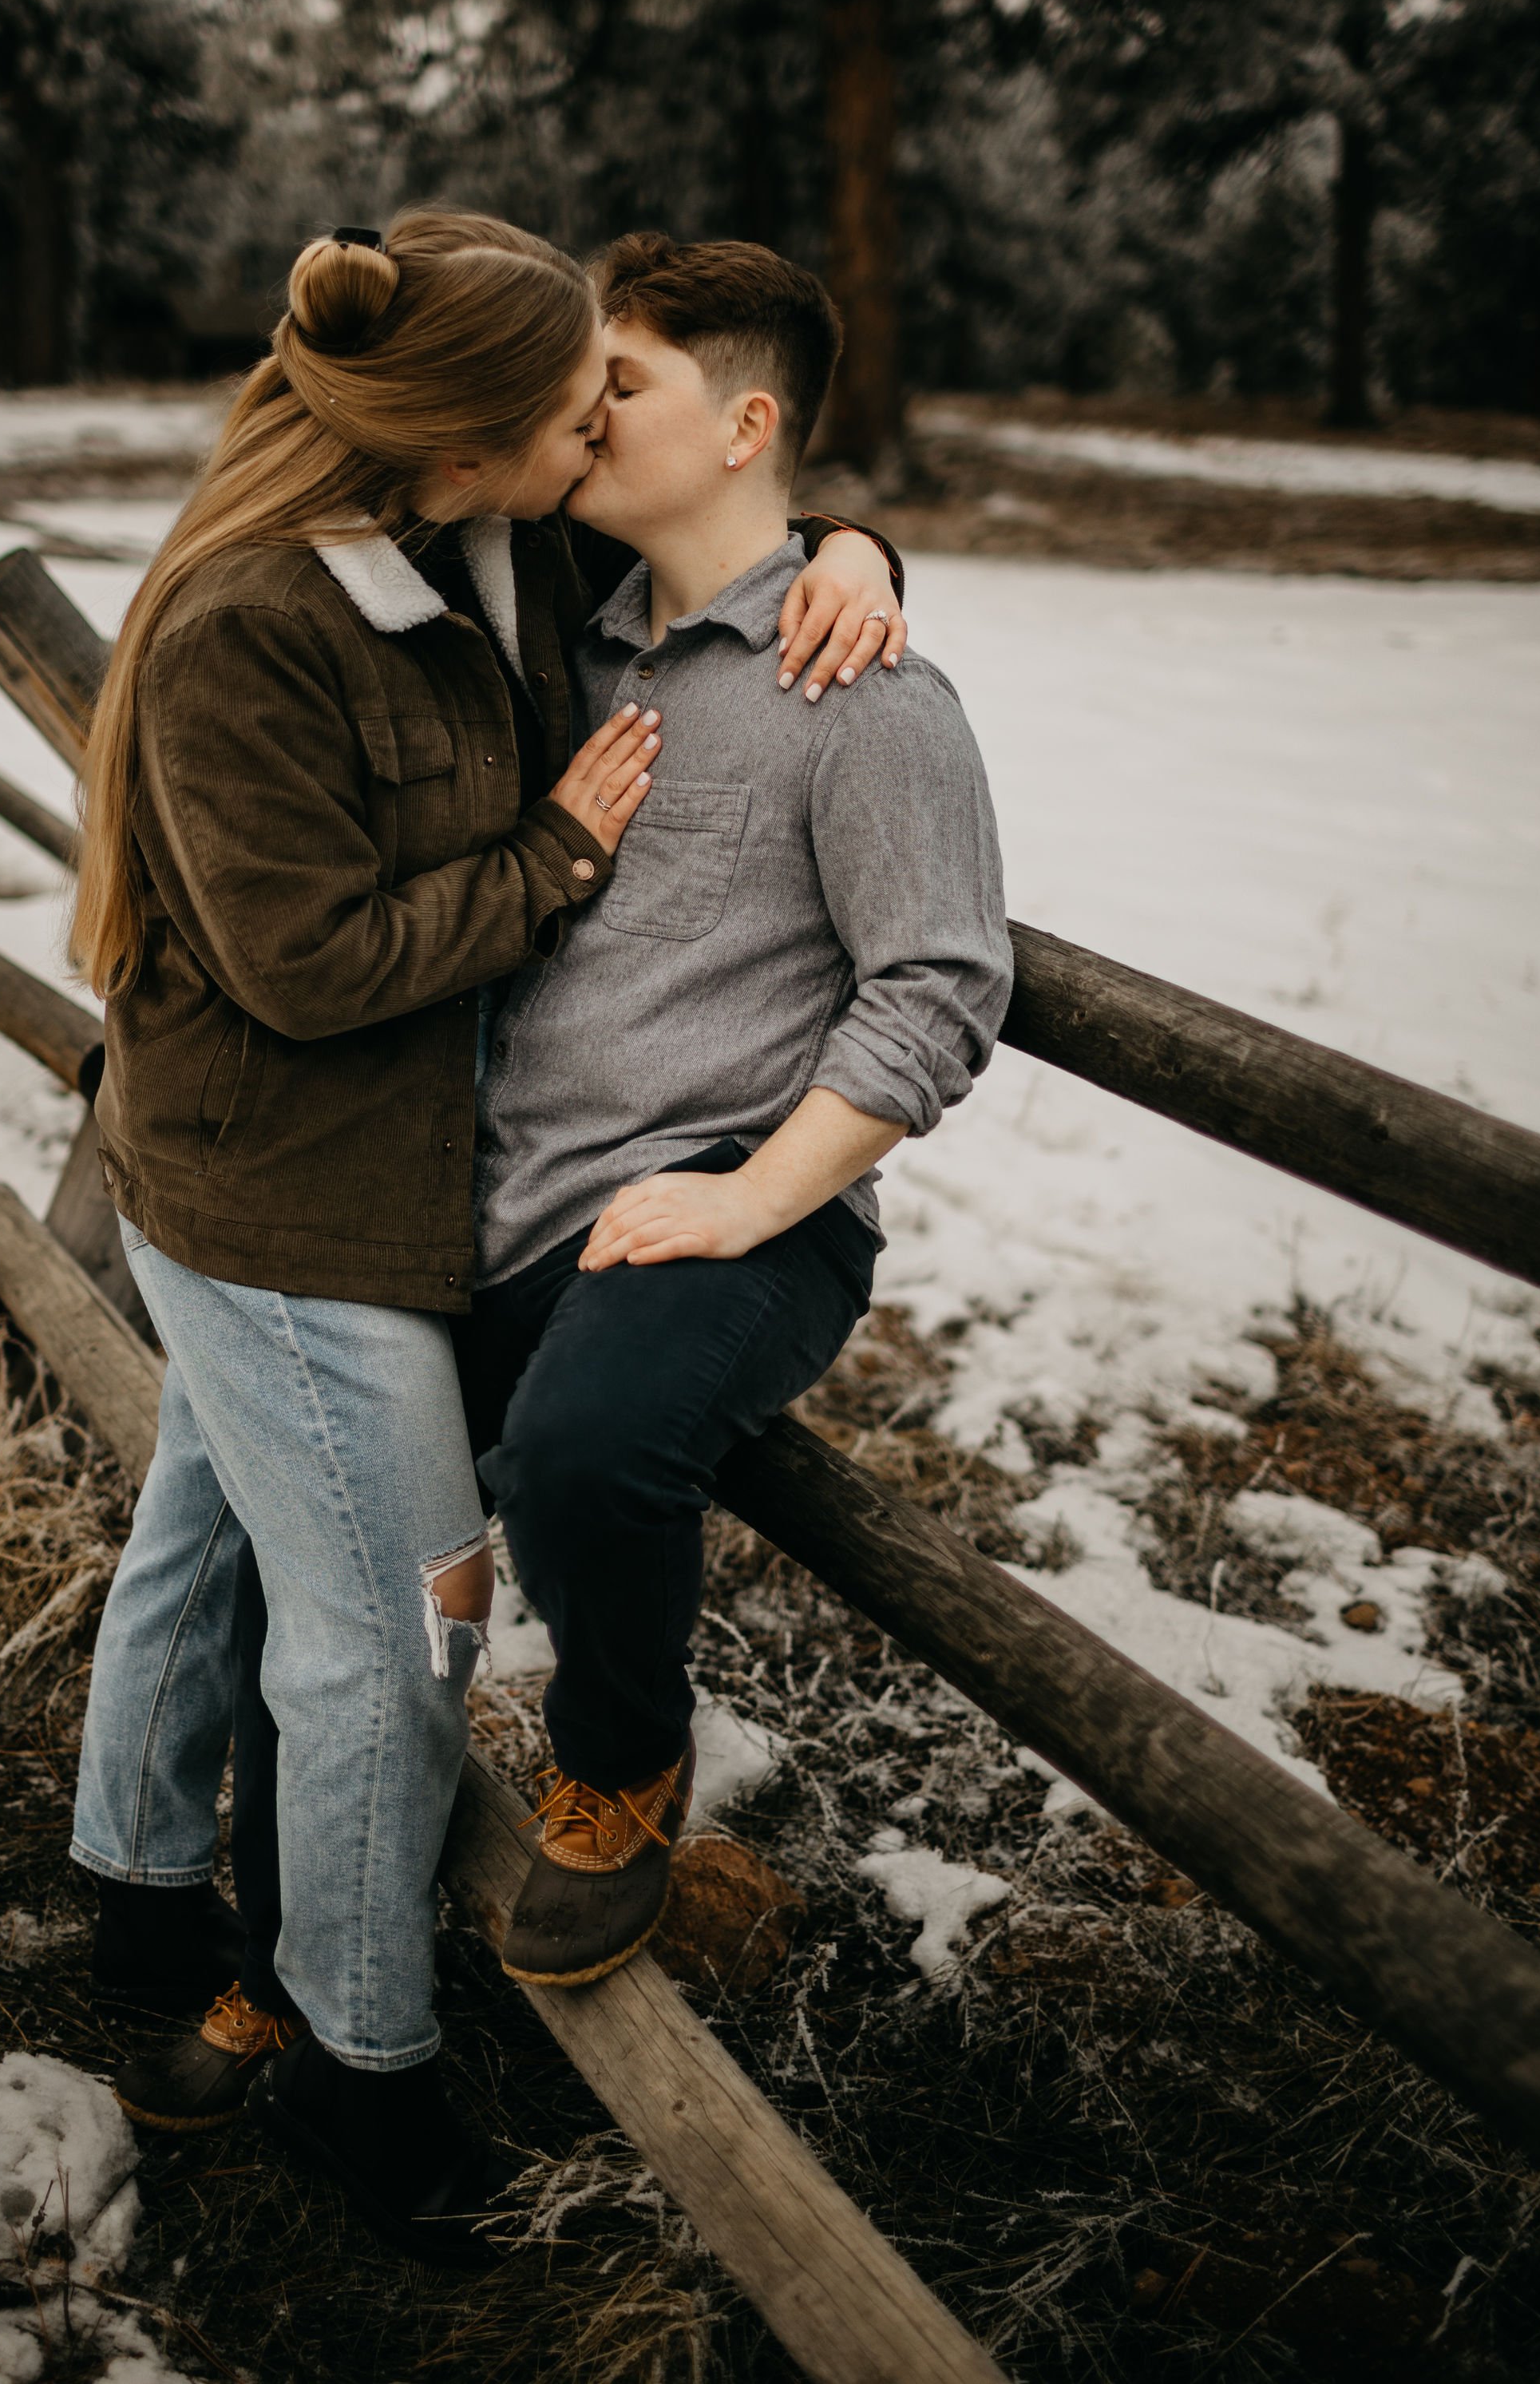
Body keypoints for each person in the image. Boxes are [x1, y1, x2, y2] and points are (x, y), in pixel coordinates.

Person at [65, 208, 905, 2262]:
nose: (603, 421)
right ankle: (369, 2082)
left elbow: (741, 501)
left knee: (205, 1528)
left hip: (379, 1178)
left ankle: (136, 1903)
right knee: (397, 1637)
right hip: (282, 1192)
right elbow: (306, 962)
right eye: (575, 399)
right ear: (469, 436)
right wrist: (549, 857)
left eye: (620, 390)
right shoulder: (254, 618)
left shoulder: (486, 541)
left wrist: (861, 550)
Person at [457, 232, 1012, 1989]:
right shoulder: (563, 627)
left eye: (621, 382)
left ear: (744, 422)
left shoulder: (871, 697)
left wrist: (755, 1200)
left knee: (585, 1455)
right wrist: (848, 529)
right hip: (516, 1197)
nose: (581, 409)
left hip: (738, 1207)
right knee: (341, 1512)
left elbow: (939, 988)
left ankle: (618, 1760)